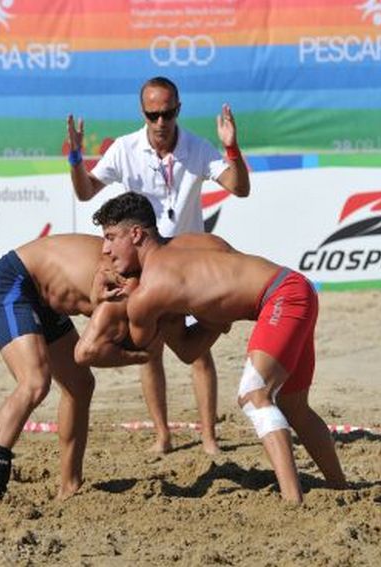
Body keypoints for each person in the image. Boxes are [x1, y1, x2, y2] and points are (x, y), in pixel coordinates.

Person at [92, 193, 346, 503]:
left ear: (136, 234)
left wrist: (100, 298)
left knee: (255, 395)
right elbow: (190, 348)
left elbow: (129, 344)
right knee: (294, 407)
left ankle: (293, 501)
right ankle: (340, 488)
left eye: (110, 237)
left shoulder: (150, 292)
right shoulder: (194, 242)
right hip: (295, 285)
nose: (105, 249)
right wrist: (214, 321)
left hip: (280, 300)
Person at [66, 76, 251, 454]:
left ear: (178, 110)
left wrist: (232, 149)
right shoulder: (125, 148)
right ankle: (162, 436)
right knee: (148, 349)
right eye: (153, 115)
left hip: (186, 265)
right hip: (144, 264)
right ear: (143, 113)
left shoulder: (196, 147)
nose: (161, 122)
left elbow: (239, 187)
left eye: (167, 113)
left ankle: (209, 439)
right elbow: (86, 191)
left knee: (199, 353)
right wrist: (74, 157)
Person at [0, 234, 149, 511]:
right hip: (14, 281)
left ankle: (70, 486)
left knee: (80, 384)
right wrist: (137, 357)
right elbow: (87, 352)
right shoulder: (126, 286)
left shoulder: (140, 280)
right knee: (35, 383)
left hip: (43, 297)